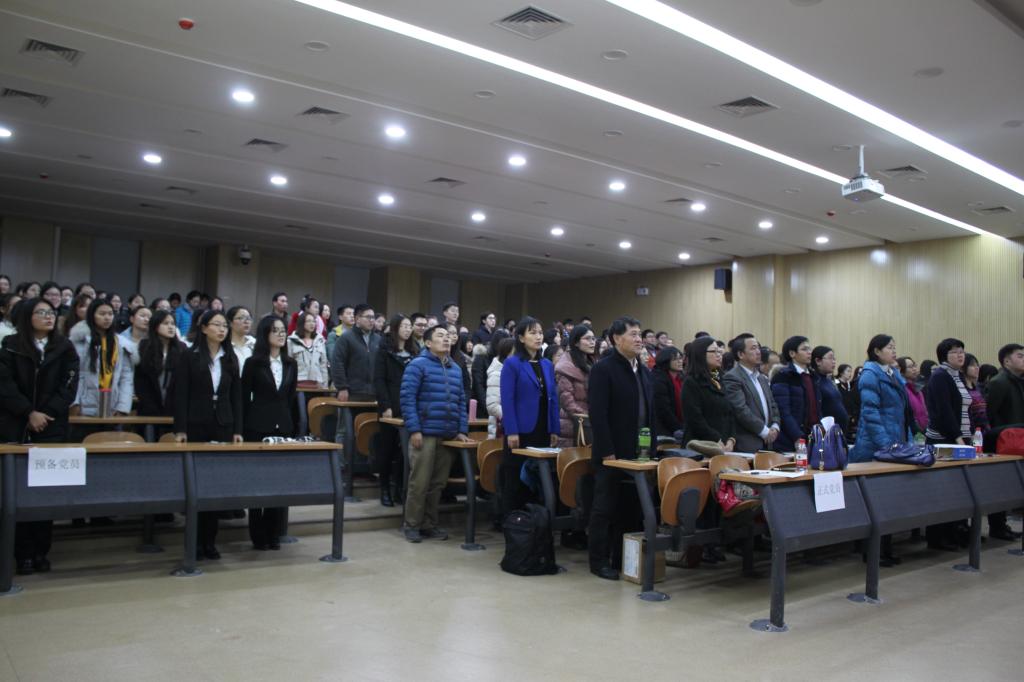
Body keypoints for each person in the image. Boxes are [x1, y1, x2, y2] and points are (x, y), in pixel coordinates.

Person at [0, 298, 79, 575]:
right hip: (16, 425)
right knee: (18, 493)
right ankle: (21, 553)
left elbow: (69, 385)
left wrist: (45, 413)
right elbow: (5, 386)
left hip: (52, 426)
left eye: (51, 312)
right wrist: (28, 413)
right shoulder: (10, 345)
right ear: (26, 317)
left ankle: (41, 551)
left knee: (46, 493)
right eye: (41, 312)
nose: (48, 316)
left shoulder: (64, 346)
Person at [587, 316, 654, 580]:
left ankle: (622, 560)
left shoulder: (643, 371)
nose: (639, 339)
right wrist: (607, 450)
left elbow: (650, 414)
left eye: (640, 334)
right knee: (605, 508)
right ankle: (599, 561)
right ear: (616, 338)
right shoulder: (604, 369)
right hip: (611, 453)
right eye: (633, 334)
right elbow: (598, 414)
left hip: (639, 453)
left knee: (630, 508)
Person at [174, 309, 244, 560]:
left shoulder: (230, 357)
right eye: (216, 325)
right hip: (196, 424)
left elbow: (237, 396)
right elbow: (180, 394)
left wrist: (237, 429)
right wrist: (180, 428)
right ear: (203, 328)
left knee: (215, 485)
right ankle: (193, 543)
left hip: (223, 424)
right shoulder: (189, 356)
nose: (222, 329)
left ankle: (210, 542)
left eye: (224, 325)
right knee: (196, 485)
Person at [399, 325, 472, 542]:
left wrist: (461, 430)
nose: (446, 339)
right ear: (428, 343)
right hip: (425, 433)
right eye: (440, 336)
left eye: (448, 336)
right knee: (419, 482)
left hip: (448, 434)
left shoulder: (455, 368)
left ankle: (429, 524)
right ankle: (412, 525)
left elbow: (461, 402)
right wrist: (414, 429)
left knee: (438, 484)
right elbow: (407, 399)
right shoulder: (417, 365)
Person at [849, 334, 909, 566]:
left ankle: (886, 548)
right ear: (876, 351)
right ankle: (872, 552)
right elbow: (870, 413)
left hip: (894, 442)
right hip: (875, 445)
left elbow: (902, 411)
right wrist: (885, 444)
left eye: (895, 347)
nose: (894, 351)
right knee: (873, 502)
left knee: (888, 501)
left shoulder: (892, 373)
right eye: (889, 347)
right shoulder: (870, 374)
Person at [242, 315, 297, 550]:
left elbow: (291, 399)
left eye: (283, 330)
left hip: (283, 427)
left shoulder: (291, 363)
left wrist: (293, 429)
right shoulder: (253, 363)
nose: (281, 334)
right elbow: (243, 398)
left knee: (279, 482)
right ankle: (257, 534)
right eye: (276, 330)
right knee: (258, 481)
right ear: (265, 334)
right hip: (257, 426)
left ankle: (274, 532)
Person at [499, 317, 561, 516]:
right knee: (515, 478)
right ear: (521, 338)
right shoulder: (512, 363)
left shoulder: (546, 364)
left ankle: (534, 522)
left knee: (538, 478)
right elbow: (507, 400)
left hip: (542, 427)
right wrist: (511, 431)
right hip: (520, 429)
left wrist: (554, 428)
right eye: (532, 333)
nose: (538, 336)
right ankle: (511, 522)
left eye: (540, 333)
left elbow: (552, 398)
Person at [924, 338, 972, 551]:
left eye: (962, 351)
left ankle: (955, 532)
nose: (960, 355)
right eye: (954, 352)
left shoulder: (957, 375)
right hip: (944, 440)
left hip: (960, 438)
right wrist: (958, 437)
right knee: (942, 490)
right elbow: (944, 411)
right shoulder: (940, 376)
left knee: (958, 490)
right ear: (944, 356)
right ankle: (937, 537)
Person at [373, 313, 418, 507]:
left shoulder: (414, 352)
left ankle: (399, 488)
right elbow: (379, 380)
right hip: (390, 405)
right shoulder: (384, 351)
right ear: (395, 328)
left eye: (409, 326)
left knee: (404, 452)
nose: (408, 329)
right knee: (388, 449)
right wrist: (385, 406)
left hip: (409, 406)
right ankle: (385, 489)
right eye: (404, 326)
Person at [984, 343, 1024, 541]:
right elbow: (989, 414)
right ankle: (997, 526)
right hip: (1002, 442)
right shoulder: (999, 382)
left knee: (1011, 487)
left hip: (1017, 440)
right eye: (1020, 356)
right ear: (1007, 361)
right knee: (999, 486)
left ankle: (1002, 525)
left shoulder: (1019, 381)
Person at [71, 298, 134, 423]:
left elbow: (126, 377)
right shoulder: (80, 341)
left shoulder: (121, 343)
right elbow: (76, 375)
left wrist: (122, 407)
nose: (107, 318)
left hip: (112, 406)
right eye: (102, 314)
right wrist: (74, 403)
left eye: (110, 314)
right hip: (84, 406)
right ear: (92, 315)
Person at [724, 334, 781, 453]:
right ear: (741, 354)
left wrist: (775, 427)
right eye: (753, 348)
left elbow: (773, 405)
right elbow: (741, 410)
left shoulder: (762, 378)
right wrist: (764, 431)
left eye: (758, 348)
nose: (758, 352)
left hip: (769, 442)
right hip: (747, 444)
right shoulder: (732, 377)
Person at [681, 335, 737, 450]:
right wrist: (716, 439)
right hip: (700, 446)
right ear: (701, 354)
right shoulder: (691, 382)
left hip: (723, 445)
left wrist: (731, 439)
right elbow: (695, 418)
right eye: (714, 351)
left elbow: (729, 412)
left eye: (719, 351)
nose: (719, 355)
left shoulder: (718, 378)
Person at [770, 335, 822, 452]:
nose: (809, 352)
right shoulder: (783, 376)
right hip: (791, 439)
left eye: (809, 349)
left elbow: (817, 408)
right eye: (804, 349)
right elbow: (783, 411)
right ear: (792, 353)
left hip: (813, 436)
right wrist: (797, 436)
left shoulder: (813, 377)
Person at [135, 310, 186, 420]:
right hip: (149, 407)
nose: (171, 327)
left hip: (174, 408)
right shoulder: (144, 347)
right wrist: (149, 404)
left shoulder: (182, 348)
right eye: (165, 323)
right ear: (155, 325)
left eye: (173, 324)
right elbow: (140, 380)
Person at [555, 325, 596, 446]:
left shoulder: (591, 363)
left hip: (589, 423)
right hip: (573, 424)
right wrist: (587, 416)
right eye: (587, 338)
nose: (592, 342)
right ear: (576, 342)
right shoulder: (566, 366)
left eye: (593, 338)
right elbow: (567, 401)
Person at [330, 304, 380, 403]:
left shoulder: (378, 339)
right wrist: (342, 387)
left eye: (373, 317)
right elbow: (337, 363)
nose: (371, 320)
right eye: (368, 317)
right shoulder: (346, 338)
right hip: (352, 392)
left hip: (374, 392)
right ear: (357, 319)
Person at [650, 346, 685, 443]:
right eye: (675, 359)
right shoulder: (658, 379)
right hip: (664, 430)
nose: (680, 361)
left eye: (680, 358)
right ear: (665, 361)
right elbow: (663, 409)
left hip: (680, 426)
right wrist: (678, 428)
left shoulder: (681, 377)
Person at [811, 346, 849, 432]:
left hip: (838, 431)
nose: (834, 362)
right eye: (830, 358)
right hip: (826, 432)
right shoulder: (814, 381)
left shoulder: (828, 380)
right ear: (818, 361)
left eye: (834, 359)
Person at [288, 311, 330, 388]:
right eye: (309, 321)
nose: (312, 324)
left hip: (317, 384)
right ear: (301, 323)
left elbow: (323, 365)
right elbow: (288, 365)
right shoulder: (291, 341)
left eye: (314, 321)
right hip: (298, 384)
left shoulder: (320, 340)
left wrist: (325, 386)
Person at [486, 338, 514, 439]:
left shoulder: (515, 371)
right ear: (507, 353)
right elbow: (492, 406)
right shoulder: (497, 373)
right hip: (500, 429)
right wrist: (513, 417)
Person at [896, 357, 928, 434]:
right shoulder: (902, 389)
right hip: (912, 433)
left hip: (924, 431)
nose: (914, 369)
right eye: (910, 367)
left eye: (914, 365)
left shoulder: (918, 388)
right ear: (901, 372)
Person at [835, 363, 861, 440]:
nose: (850, 374)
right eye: (848, 371)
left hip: (850, 415)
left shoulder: (851, 385)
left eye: (851, 371)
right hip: (839, 414)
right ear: (841, 372)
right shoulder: (836, 384)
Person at [226, 306, 256, 371]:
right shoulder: (225, 345)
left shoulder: (255, 343)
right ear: (230, 323)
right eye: (241, 318)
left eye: (249, 318)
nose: (246, 321)